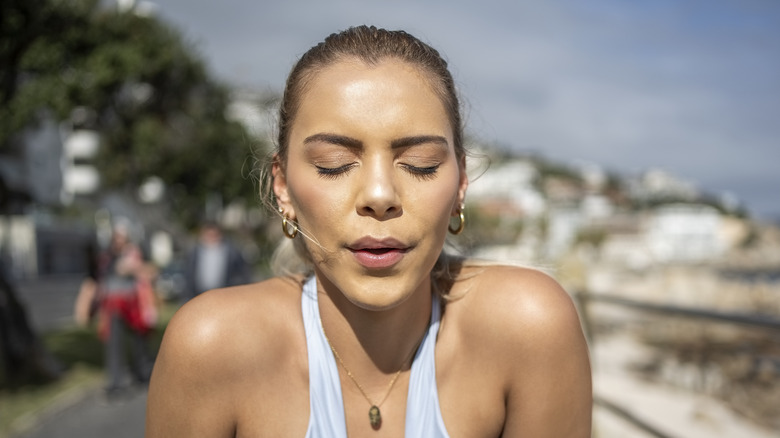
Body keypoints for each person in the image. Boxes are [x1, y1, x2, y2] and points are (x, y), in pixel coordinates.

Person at [146, 25, 592, 437]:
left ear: (460, 184)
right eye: (334, 165)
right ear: (282, 187)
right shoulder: (212, 347)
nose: (379, 195)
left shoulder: (529, 326)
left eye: (421, 165)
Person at [96, 221, 156, 398]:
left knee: (140, 341)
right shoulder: (107, 256)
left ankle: (143, 372)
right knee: (114, 343)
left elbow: (148, 271)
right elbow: (102, 279)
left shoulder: (135, 252)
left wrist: (134, 268)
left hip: (134, 302)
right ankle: (116, 381)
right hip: (114, 304)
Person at [181, 221, 251, 303]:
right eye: (209, 235)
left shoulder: (232, 252)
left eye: (214, 235)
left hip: (224, 295)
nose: (211, 238)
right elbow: (188, 275)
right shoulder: (194, 252)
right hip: (198, 294)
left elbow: (242, 274)